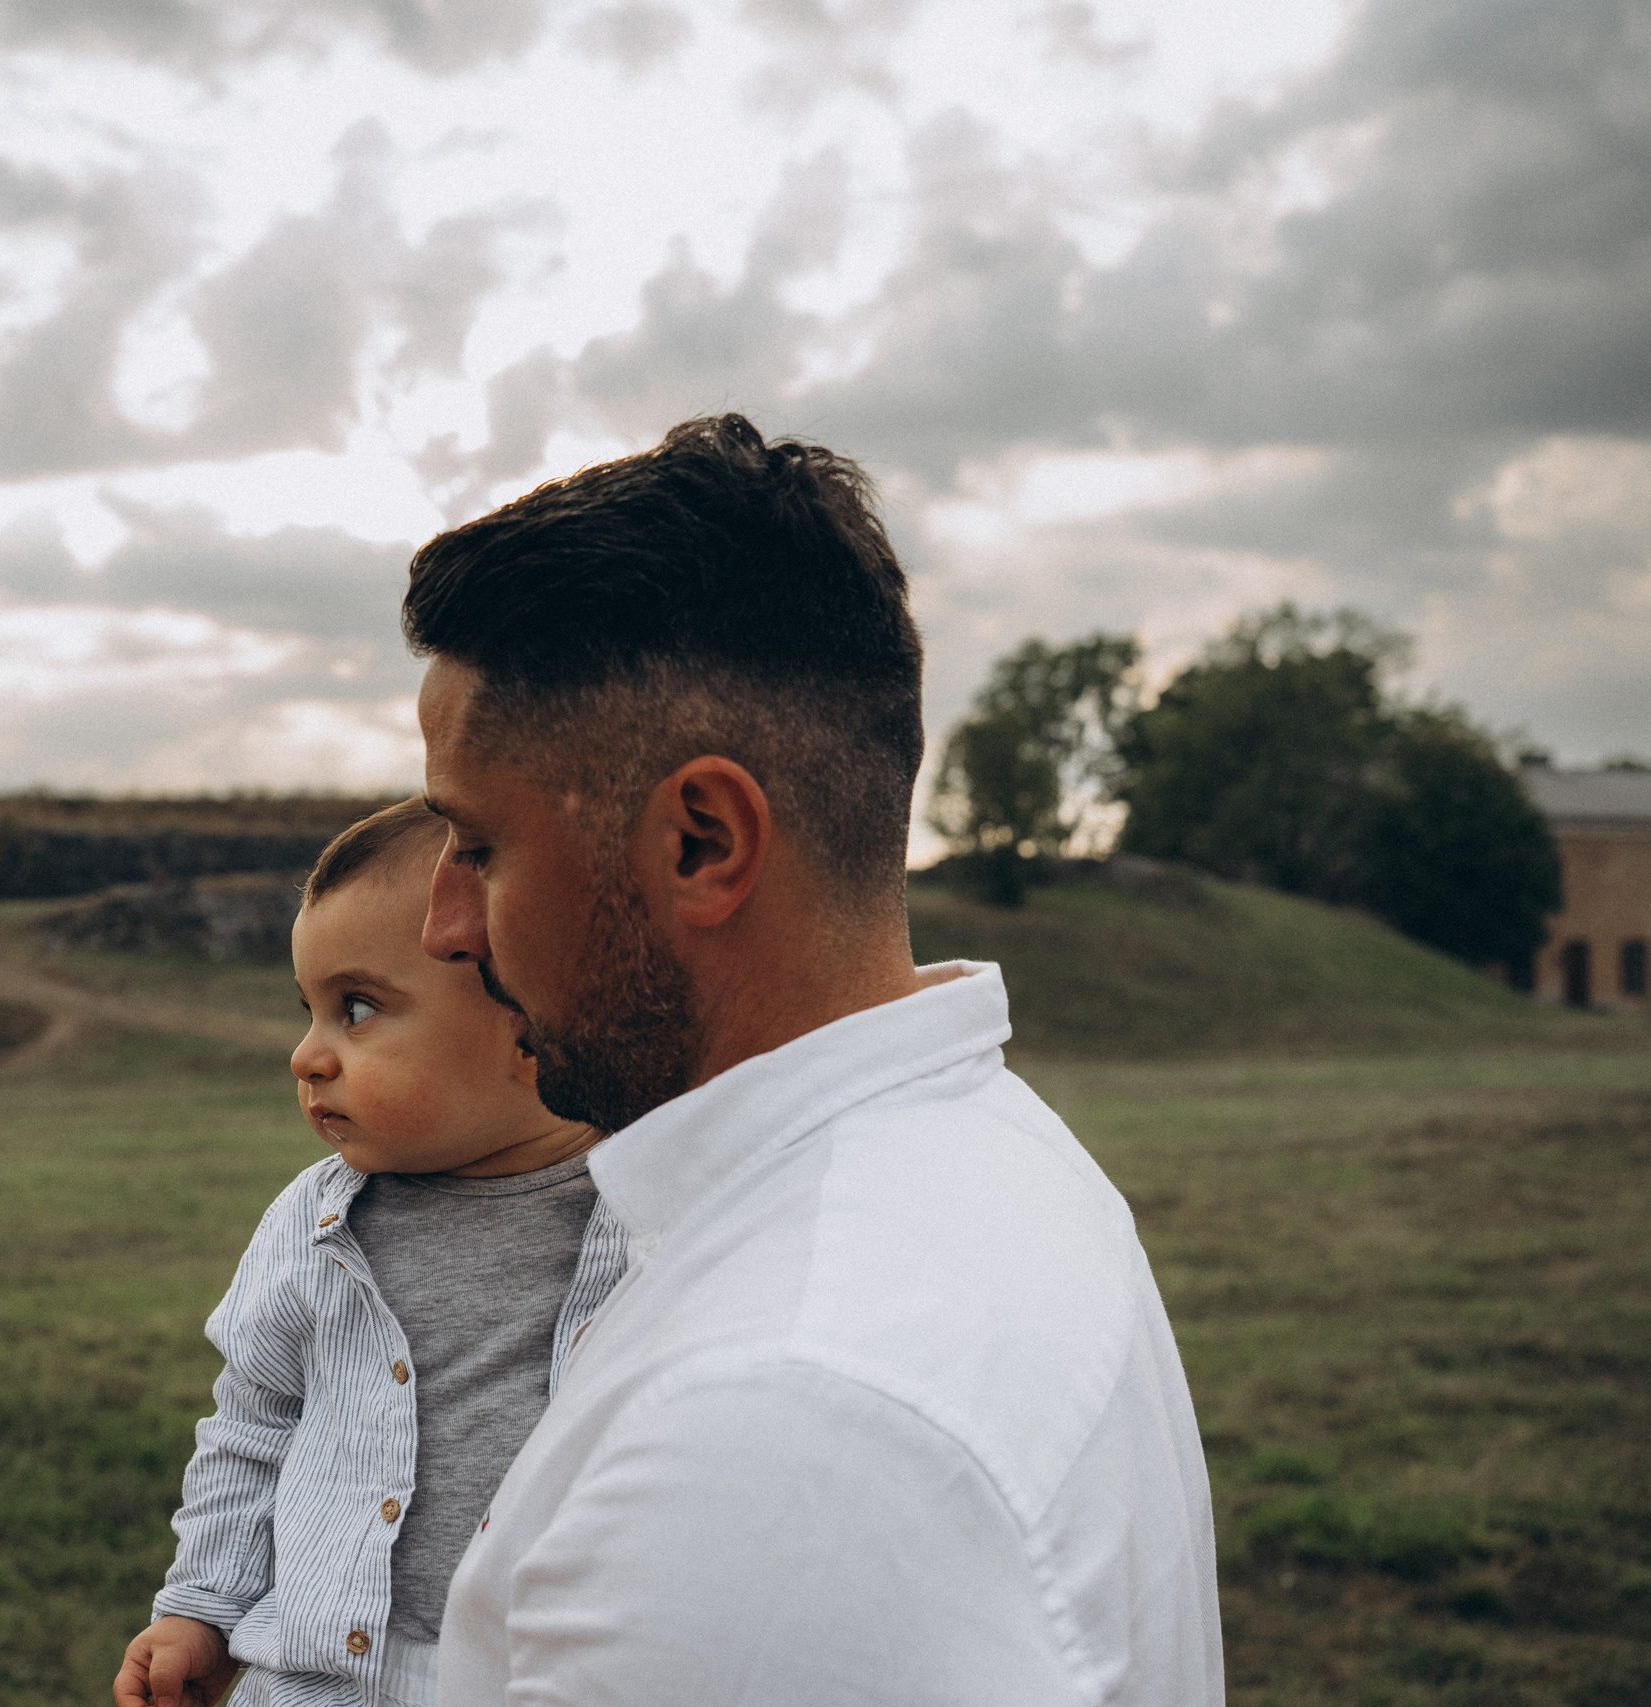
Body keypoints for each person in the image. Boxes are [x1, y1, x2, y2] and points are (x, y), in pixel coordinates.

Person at [408, 414, 1227, 1705]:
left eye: (478, 845)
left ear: (699, 839)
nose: (443, 926)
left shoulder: (775, 1422)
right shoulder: (985, 1157)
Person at [114, 800, 629, 1707]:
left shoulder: (646, 1215)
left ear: (530, 1019)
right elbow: (254, 1426)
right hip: (312, 1679)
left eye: (356, 1007)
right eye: (308, 1011)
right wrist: (200, 1607)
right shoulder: (317, 1224)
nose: (306, 1056)